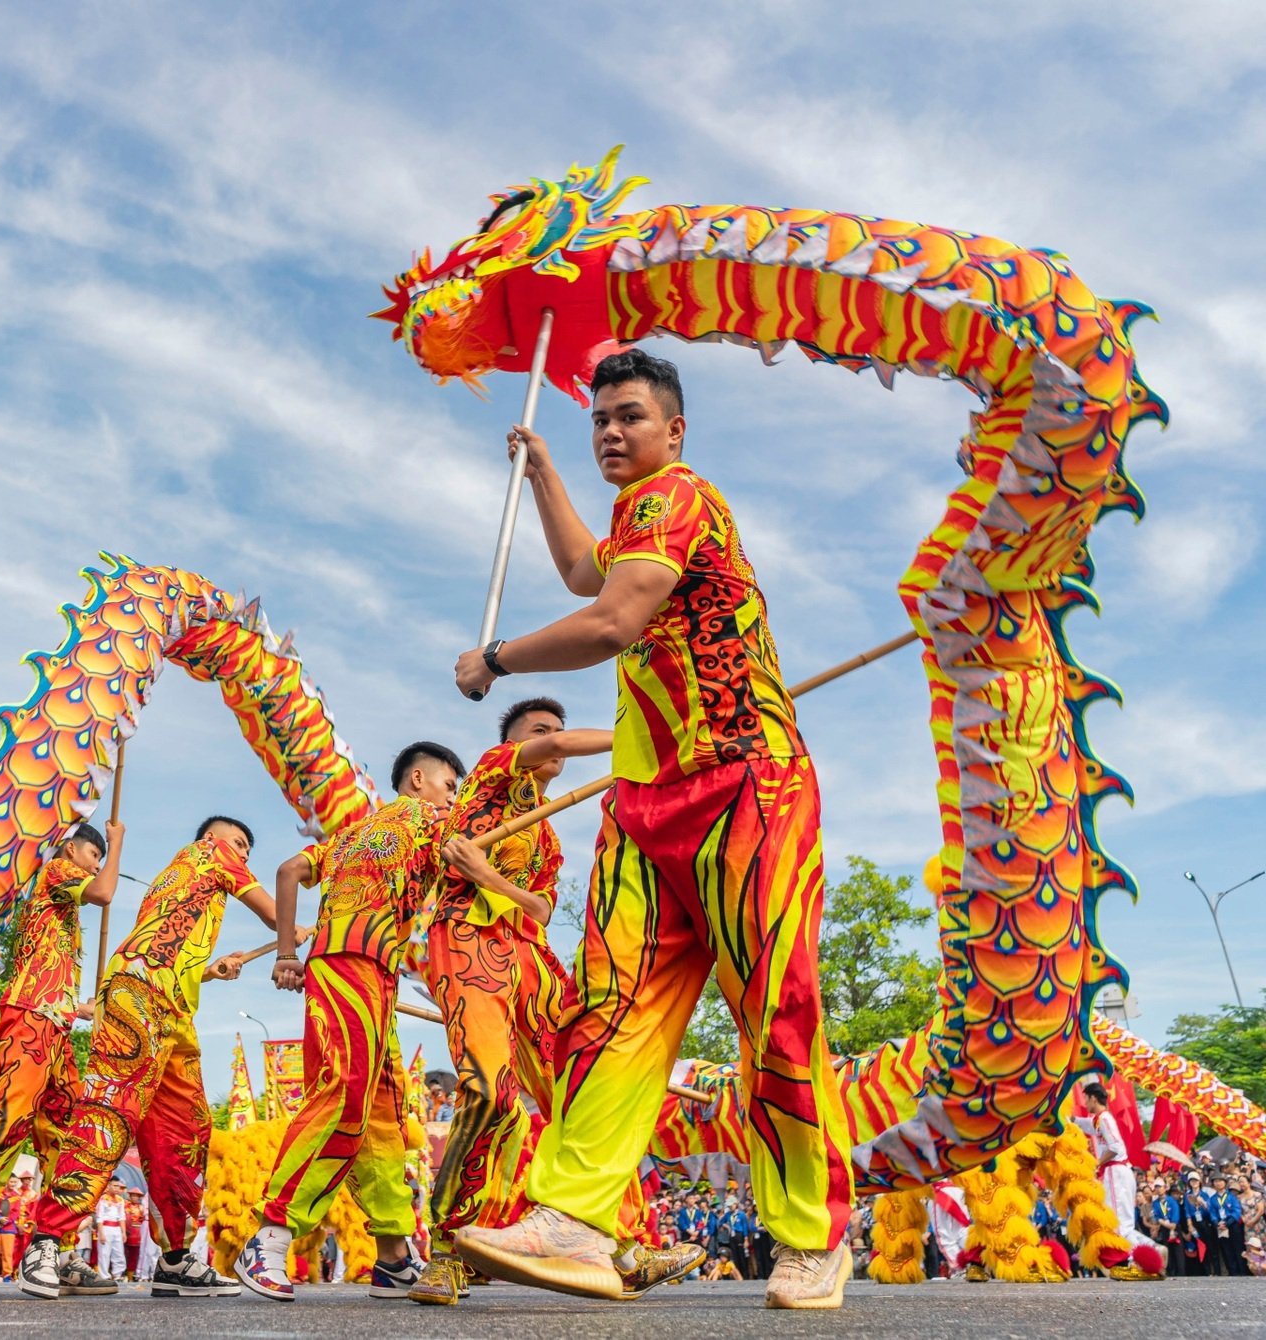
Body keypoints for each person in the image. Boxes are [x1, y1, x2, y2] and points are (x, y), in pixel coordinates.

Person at [448, 348, 854, 1309]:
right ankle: (576, 1219)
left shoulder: (678, 496)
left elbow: (612, 619)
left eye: (629, 416)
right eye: (600, 422)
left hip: (743, 786)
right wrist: (547, 471)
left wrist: (495, 660)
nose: (611, 433)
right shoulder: (636, 517)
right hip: (645, 804)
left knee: (773, 1008)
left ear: (674, 430)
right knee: (616, 1010)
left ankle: (812, 1237)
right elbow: (591, 570)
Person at [414, 701, 695, 1306]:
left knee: (583, 1096)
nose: (557, 742)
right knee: (489, 1091)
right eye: (543, 732)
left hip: (532, 959)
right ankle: (445, 1251)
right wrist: (646, 738)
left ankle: (628, 1246)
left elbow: (540, 910)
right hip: (468, 939)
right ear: (514, 743)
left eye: (560, 731)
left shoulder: (543, 834)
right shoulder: (493, 772)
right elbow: (538, 754)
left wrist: (490, 875)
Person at [237, 742, 498, 1303]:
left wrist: (287, 953)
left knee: (382, 1111)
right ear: (419, 780)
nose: (453, 797)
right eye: (450, 786)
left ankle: (393, 1255)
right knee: (343, 1093)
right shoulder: (427, 821)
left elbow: (287, 870)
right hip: (356, 965)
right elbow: (471, 850)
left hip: (363, 969)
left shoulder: (352, 834)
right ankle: (270, 1235)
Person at [17, 817, 295, 1300]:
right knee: (110, 1114)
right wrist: (297, 935)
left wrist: (212, 970)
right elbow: (275, 915)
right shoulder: (210, 854)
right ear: (211, 840)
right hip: (139, 997)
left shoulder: (184, 879)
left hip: (172, 1009)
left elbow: (169, 951)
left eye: (248, 848)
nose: (244, 853)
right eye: (240, 843)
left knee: (186, 1131)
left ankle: (173, 1260)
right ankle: (45, 1241)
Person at [0, 820, 123, 1298]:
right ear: (73, 849)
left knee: (66, 1136)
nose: (96, 863)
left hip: (55, 1025)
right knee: (5, 1125)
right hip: (28, 1021)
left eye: (100, 855)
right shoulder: (56, 871)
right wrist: (120, 841)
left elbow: (49, 968)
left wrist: (81, 1007)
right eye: (93, 854)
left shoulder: (64, 907)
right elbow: (106, 891)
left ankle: (62, 1249)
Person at [1074, 1081, 1166, 1279]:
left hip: (1115, 1173)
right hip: (1116, 1173)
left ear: (1093, 1098)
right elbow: (1081, 1123)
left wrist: (1097, 1163)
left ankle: (1147, 1253)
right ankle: (1147, 1252)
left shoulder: (1105, 1119)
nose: (1084, 1103)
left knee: (1119, 1224)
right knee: (1118, 1222)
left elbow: (1115, 1147)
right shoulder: (1099, 1120)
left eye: (1086, 1098)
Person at [94, 1190, 127, 1282]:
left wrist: (123, 1232)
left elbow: (122, 1217)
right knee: (104, 1253)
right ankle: (104, 1275)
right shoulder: (103, 1199)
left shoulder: (120, 1199)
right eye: (114, 1186)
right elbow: (99, 1217)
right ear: (109, 1186)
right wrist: (101, 1233)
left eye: (118, 1186)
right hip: (105, 1227)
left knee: (119, 1252)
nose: (116, 1188)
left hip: (117, 1228)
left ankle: (118, 1274)